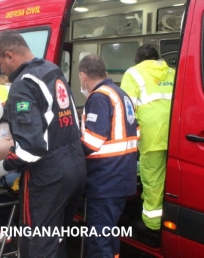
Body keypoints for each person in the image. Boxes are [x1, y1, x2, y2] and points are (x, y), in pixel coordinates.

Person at [0, 30, 87, 257]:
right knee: (57, 237)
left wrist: (5, 165)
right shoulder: (52, 71)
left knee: (38, 244)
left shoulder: (23, 83)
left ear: (10, 55)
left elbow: (30, 150)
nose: (0, 71)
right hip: (75, 164)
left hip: (49, 174)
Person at [78, 54, 139, 258]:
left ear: (82, 76)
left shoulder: (99, 97)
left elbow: (92, 142)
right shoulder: (120, 93)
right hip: (122, 175)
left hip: (105, 180)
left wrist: (68, 152)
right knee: (109, 234)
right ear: (104, 72)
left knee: (99, 240)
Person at [120, 44, 175, 231]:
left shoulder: (133, 73)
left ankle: (151, 224)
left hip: (152, 134)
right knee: (169, 177)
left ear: (137, 60)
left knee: (152, 178)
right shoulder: (171, 72)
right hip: (176, 131)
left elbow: (126, 107)